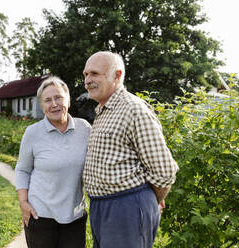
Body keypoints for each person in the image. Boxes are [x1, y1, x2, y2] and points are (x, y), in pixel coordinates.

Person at [82, 51, 179, 248]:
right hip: (102, 207)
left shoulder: (133, 110)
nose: (87, 80)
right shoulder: (104, 110)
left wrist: (148, 199)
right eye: (85, 75)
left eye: (94, 74)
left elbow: (164, 171)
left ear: (117, 76)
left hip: (126, 209)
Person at [15, 76, 91, 248]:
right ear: (42, 106)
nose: (54, 104)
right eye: (47, 100)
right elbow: (22, 170)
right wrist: (23, 203)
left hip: (75, 215)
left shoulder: (85, 129)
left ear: (68, 100)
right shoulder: (33, 133)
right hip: (40, 216)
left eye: (58, 97)